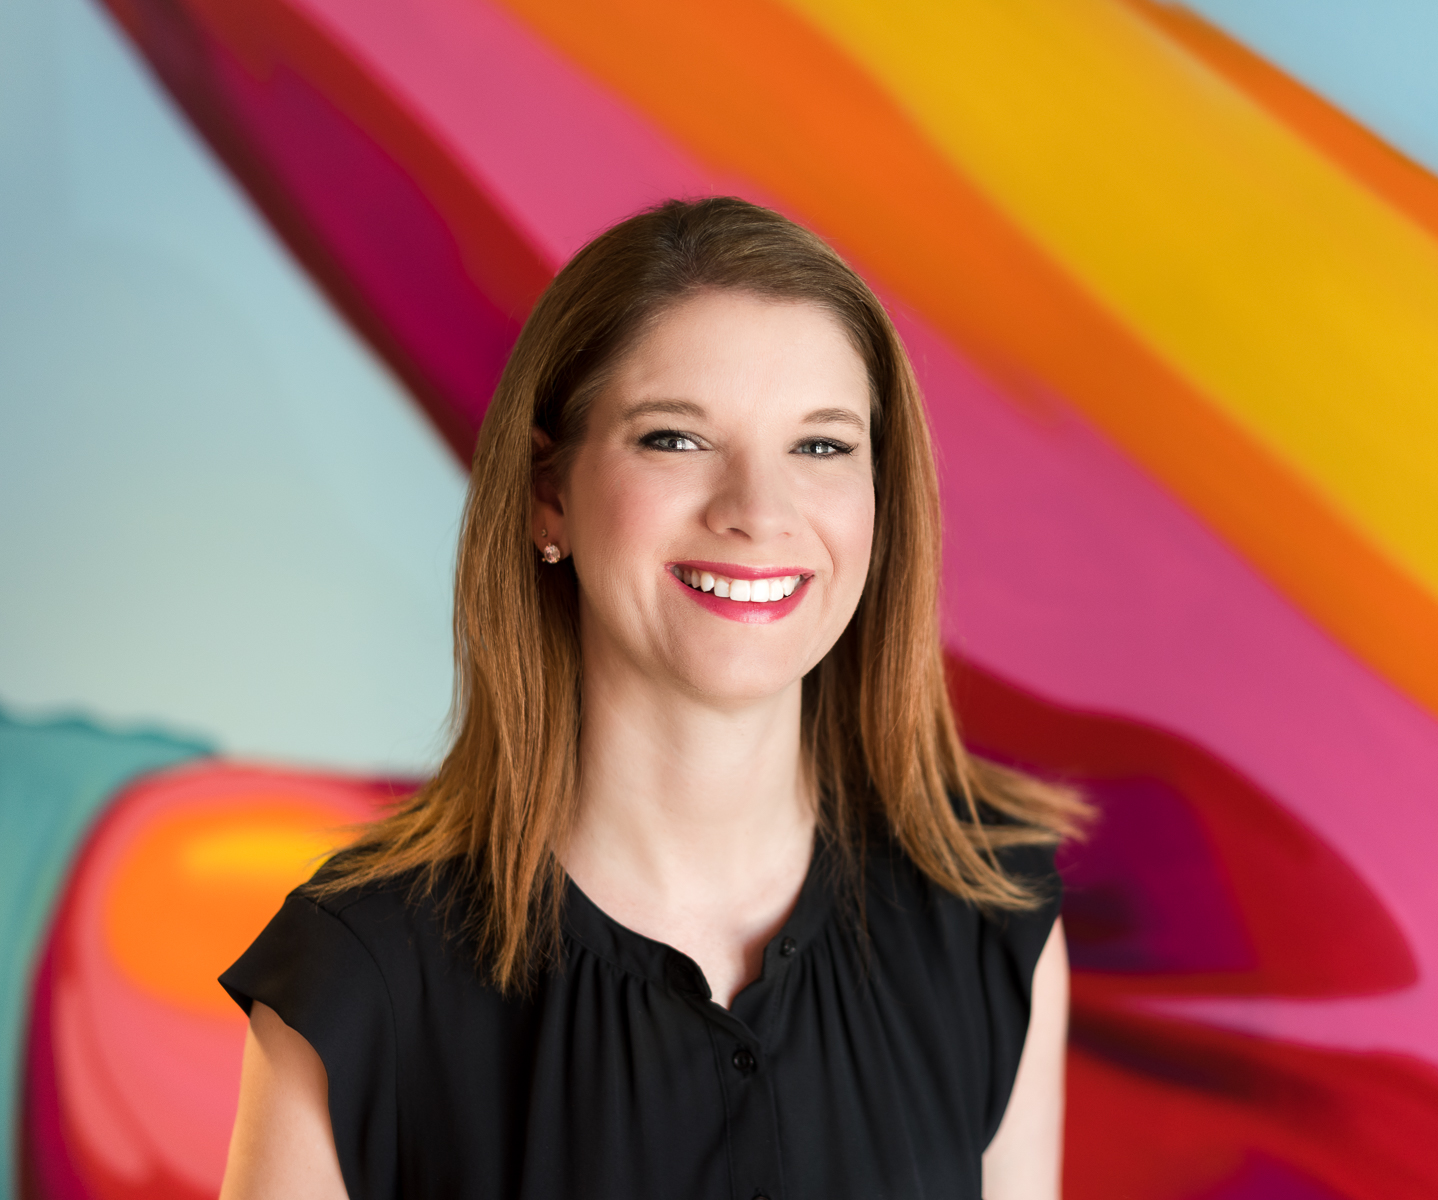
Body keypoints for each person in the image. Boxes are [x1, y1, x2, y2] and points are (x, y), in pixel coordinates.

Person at [217, 197, 1087, 1200]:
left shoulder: (990, 918)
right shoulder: (355, 977)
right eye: (675, 439)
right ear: (549, 493)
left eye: (821, 447)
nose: (759, 513)